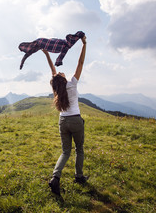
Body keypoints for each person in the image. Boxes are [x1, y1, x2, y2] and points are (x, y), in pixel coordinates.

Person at [43, 35, 88, 196]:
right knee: (79, 149)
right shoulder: (72, 84)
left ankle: (55, 178)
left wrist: (47, 54)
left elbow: (52, 70)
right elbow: (80, 63)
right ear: (62, 78)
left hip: (62, 121)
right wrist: (84, 44)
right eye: (61, 73)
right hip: (76, 120)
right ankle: (79, 176)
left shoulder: (57, 89)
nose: (61, 72)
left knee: (65, 152)